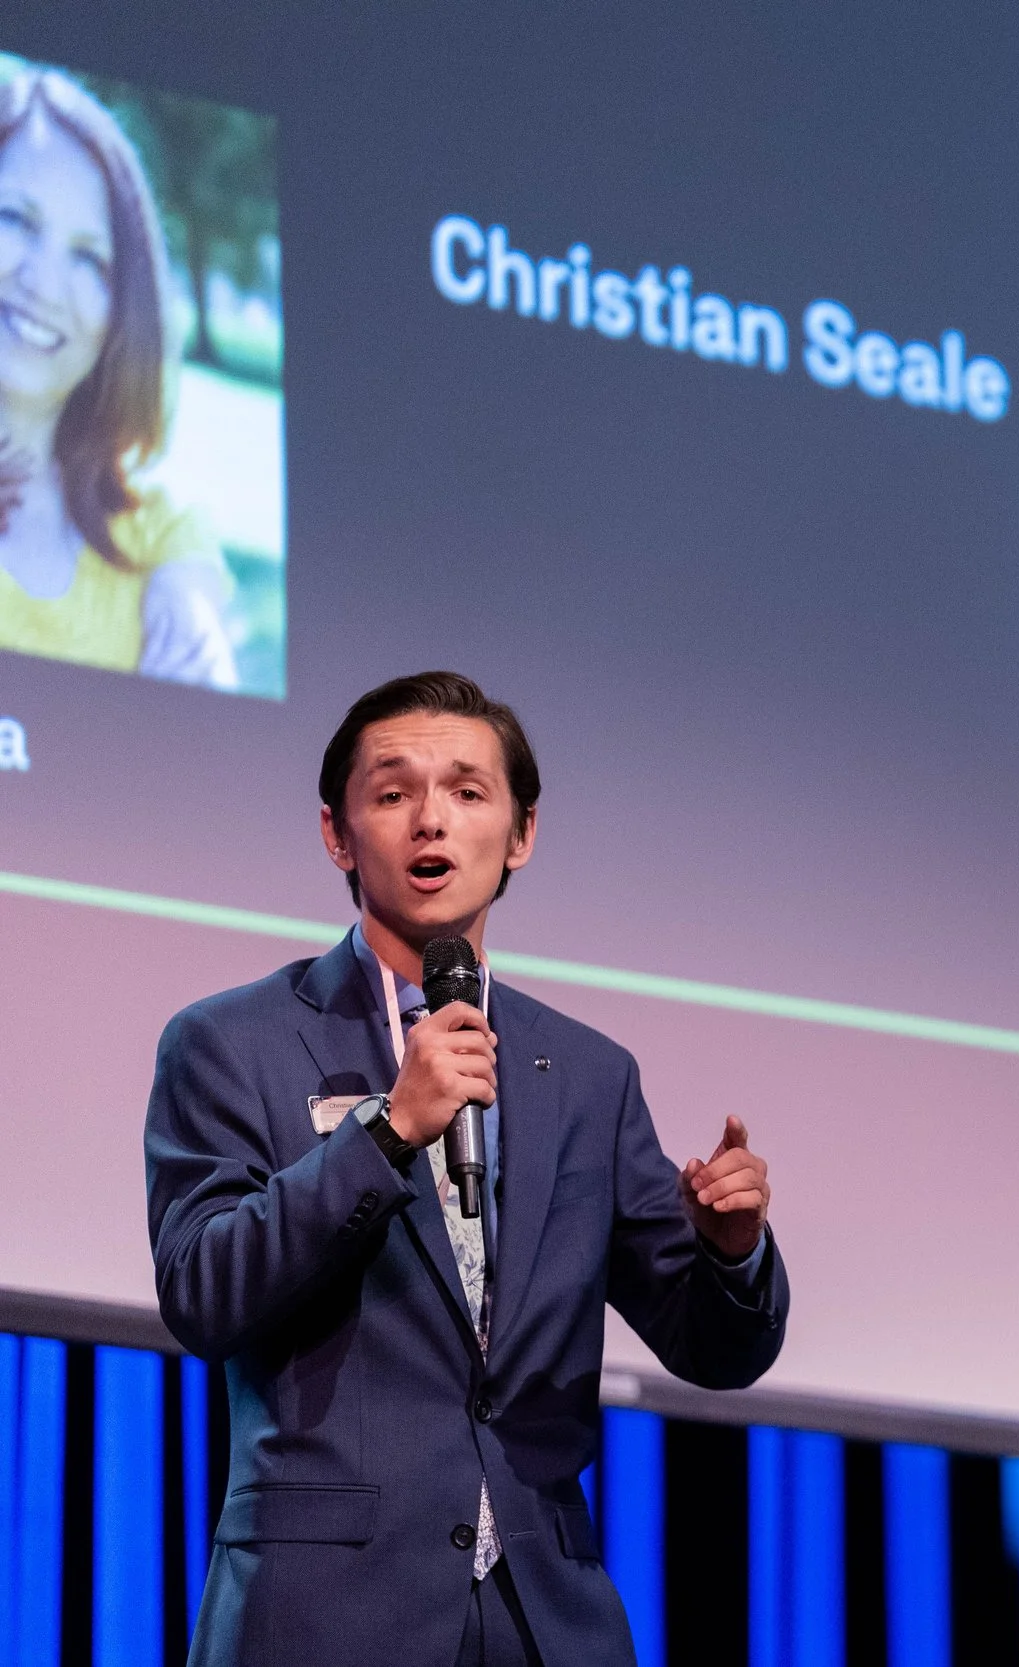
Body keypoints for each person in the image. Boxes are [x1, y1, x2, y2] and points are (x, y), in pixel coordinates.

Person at [145, 671, 789, 1664]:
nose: (430, 819)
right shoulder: (234, 1041)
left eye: (468, 791)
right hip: (323, 1617)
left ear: (521, 834)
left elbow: (714, 1347)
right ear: (337, 833)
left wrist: (732, 1250)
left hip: (545, 1622)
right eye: (394, 792)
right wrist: (390, 1128)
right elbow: (206, 1289)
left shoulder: (586, 1073)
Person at [0, 63, 236, 688]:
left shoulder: (153, 540)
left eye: (89, 258)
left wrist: (186, 590)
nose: (43, 284)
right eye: (15, 219)